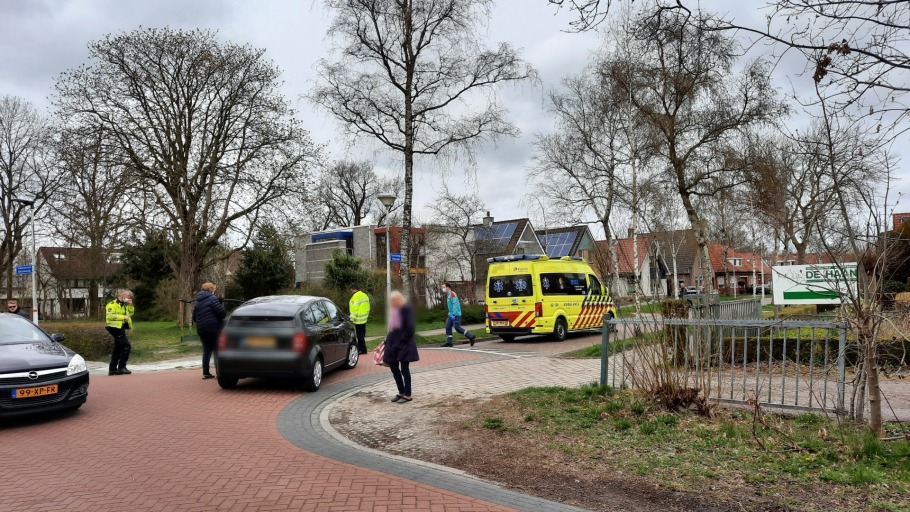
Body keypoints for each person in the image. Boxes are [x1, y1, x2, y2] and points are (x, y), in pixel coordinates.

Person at [383, 291, 418, 403]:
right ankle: (401, 391)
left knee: (404, 369)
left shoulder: (406, 308)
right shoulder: (394, 309)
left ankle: (408, 394)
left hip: (404, 344)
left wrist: (403, 340)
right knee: (393, 367)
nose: (393, 302)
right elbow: (392, 326)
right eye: (392, 300)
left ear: (400, 299)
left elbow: (410, 327)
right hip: (394, 343)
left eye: (395, 300)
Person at [192, 282, 227, 380]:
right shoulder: (213, 299)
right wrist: (220, 303)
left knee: (206, 351)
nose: (214, 291)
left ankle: (206, 373)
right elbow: (222, 314)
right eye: (214, 289)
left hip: (202, 330)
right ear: (211, 289)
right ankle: (219, 372)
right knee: (217, 350)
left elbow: (194, 317)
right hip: (213, 329)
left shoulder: (197, 301)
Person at [105, 290, 135, 376]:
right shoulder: (112, 304)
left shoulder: (124, 305)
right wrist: (123, 317)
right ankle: (122, 367)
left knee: (118, 348)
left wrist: (130, 305)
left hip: (120, 327)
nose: (128, 298)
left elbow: (131, 313)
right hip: (114, 328)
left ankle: (112, 369)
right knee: (126, 346)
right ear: (121, 295)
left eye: (129, 296)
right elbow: (110, 316)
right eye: (127, 296)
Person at [441, 282, 475, 347]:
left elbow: (455, 305)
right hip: (450, 314)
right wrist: (450, 315)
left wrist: (454, 315)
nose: (443, 289)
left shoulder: (452, 294)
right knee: (448, 327)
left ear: (448, 287)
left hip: (455, 314)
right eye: (442, 287)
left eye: (444, 287)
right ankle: (449, 342)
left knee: (457, 328)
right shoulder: (448, 295)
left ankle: (471, 336)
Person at [348, 285, 370, 355]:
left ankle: (362, 350)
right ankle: (364, 349)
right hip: (364, 319)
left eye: (351, 290)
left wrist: (352, 318)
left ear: (354, 289)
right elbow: (368, 307)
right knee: (362, 335)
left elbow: (354, 308)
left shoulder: (355, 296)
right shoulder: (365, 295)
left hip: (358, 319)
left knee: (360, 336)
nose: (351, 292)